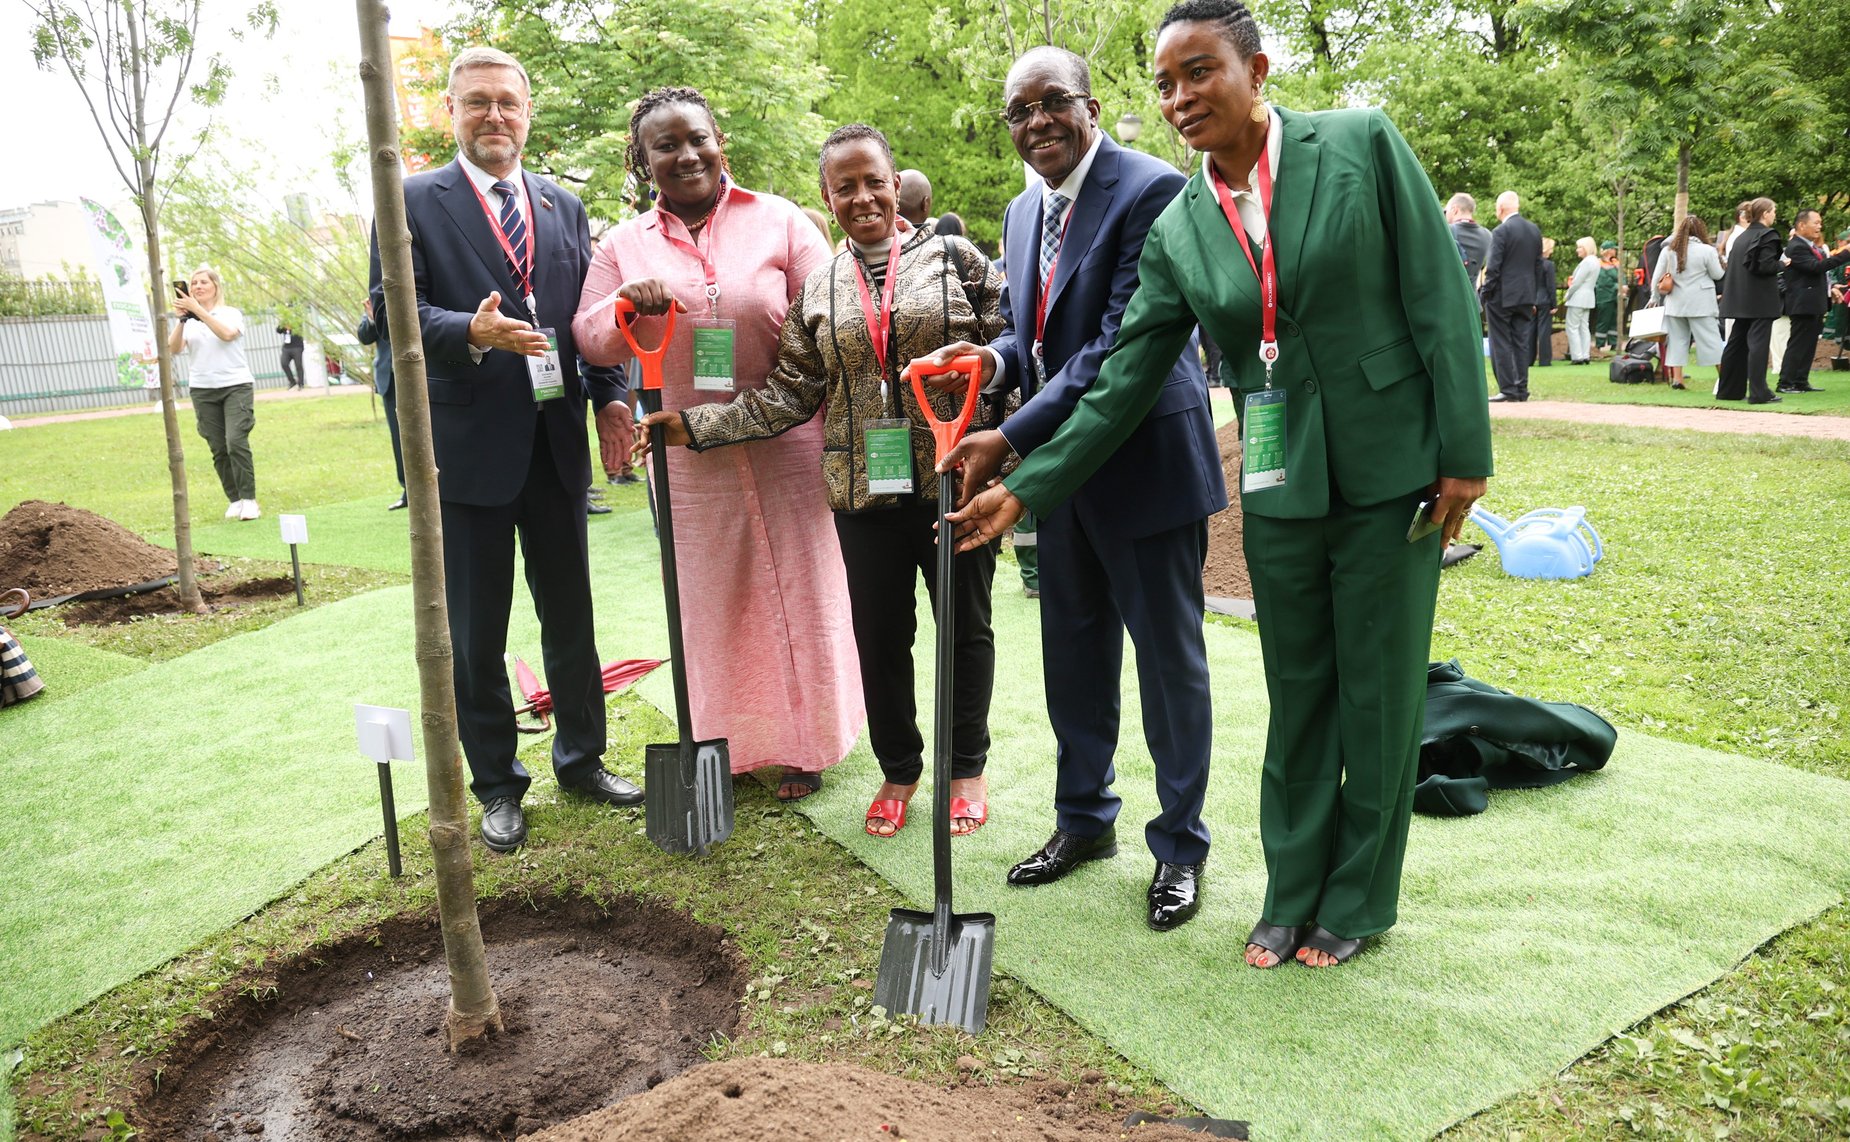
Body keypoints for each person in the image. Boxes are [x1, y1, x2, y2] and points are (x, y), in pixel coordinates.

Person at [942, 0, 1492, 969]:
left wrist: (1463, 448)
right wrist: (1028, 486)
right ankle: (1289, 890)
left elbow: (1437, 297)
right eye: (1163, 83)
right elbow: (1120, 381)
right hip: (1278, 482)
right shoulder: (1181, 222)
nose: (1178, 97)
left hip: (1389, 470)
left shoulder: (1358, 144)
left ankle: (1356, 896)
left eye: (1198, 72)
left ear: (1256, 70)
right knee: (1298, 693)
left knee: (1375, 693)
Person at [915, 45, 1224, 932]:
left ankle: (1180, 847)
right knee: (1074, 657)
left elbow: (1117, 347)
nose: (1037, 122)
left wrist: (1010, 434)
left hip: (1146, 466)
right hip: (1063, 478)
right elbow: (1036, 333)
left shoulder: (1153, 189)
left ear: (1090, 107)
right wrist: (994, 357)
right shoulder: (1020, 210)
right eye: (1019, 111)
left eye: (1054, 103)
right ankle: (1084, 822)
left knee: (1170, 669)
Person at [637, 123, 1005, 838]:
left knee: (966, 630)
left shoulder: (958, 259)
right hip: (860, 493)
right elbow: (789, 392)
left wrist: (1007, 468)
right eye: (845, 187)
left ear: (896, 184)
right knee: (880, 636)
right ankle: (900, 769)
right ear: (826, 197)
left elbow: (1013, 359)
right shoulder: (821, 284)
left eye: (874, 181)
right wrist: (694, 427)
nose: (862, 197)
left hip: (954, 485)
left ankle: (968, 768)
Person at [366, 46, 642, 852]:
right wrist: (471, 331)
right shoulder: (410, 199)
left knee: (572, 620)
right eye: (477, 102)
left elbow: (593, 319)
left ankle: (583, 760)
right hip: (465, 453)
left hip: (555, 448)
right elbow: (394, 313)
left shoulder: (561, 207)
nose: (495, 116)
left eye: (508, 103)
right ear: (450, 112)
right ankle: (496, 784)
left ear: (528, 112)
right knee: (476, 635)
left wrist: (616, 398)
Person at [573, 87, 863, 805]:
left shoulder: (780, 221)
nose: (685, 154)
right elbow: (589, 335)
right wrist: (624, 309)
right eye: (664, 146)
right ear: (643, 163)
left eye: (696, 138)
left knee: (804, 591)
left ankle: (806, 743)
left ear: (719, 141)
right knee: (709, 602)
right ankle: (724, 744)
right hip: (683, 454)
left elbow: (834, 309)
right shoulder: (622, 244)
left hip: (788, 438)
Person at [170, 265, 261, 521]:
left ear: (215, 287)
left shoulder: (230, 314)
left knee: (236, 441)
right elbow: (174, 348)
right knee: (218, 447)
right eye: (194, 283)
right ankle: (234, 499)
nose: (198, 287)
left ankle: (249, 499)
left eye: (203, 283)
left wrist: (198, 311)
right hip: (202, 389)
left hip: (235, 386)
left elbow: (227, 334)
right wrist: (182, 319)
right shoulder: (188, 320)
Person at [1717, 197, 1784, 404]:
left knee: (1736, 343)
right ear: (1765, 214)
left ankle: (1728, 390)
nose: (1774, 215)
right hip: (1760, 300)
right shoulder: (1768, 235)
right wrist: (1782, 264)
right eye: (1773, 211)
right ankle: (1759, 392)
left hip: (1740, 299)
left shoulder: (1740, 238)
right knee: (1758, 344)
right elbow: (1764, 266)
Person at [1776, 209, 1850, 393]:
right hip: (1802, 302)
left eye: (1820, 223)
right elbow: (1815, 267)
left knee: (1808, 344)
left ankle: (1800, 380)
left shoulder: (1811, 246)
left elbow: (1821, 273)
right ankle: (1785, 383)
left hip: (1813, 302)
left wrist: (1831, 288)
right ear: (1802, 225)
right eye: (1815, 222)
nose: (1819, 226)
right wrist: (1845, 253)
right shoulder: (1796, 247)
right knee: (1798, 343)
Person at [1651, 214, 1724, 391]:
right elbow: (1718, 275)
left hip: (1675, 303)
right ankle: (1724, 377)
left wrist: (1654, 297)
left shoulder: (1668, 251)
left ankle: (1677, 379)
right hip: (1701, 303)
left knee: (1677, 341)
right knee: (1711, 341)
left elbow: (1656, 277)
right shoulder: (1707, 250)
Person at [1481, 191, 1542, 401]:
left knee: (1501, 342)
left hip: (1502, 296)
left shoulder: (1501, 232)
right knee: (1521, 342)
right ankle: (1521, 388)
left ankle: (1507, 389)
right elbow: (1537, 266)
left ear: (1500, 208)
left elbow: (1494, 267)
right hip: (1526, 295)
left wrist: (1485, 292)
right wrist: (1533, 295)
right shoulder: (1534, 231)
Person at [356, 294, 406, 509]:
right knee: (399, 438)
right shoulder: (377, 298)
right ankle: (408, 491)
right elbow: (364, 337)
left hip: (422, 376)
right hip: (390, 378)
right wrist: (372, 319)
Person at [1445, 193, 1491, 317]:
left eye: (1446, 211)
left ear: (1454, 210)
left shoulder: (1446, 231)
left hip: (1448, 305)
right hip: (1473, 305)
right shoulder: (1487, 235)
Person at [1562, 237, 1600, 365]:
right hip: (1588, 297)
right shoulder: (1595, 261)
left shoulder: (1587, 262)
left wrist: (1568, 294)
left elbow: (1577, 282)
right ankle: (1585, 354)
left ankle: (1577, 356)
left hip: (1578, 297)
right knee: (1584, 326)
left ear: (1586, 248)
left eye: (1580, 247)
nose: (1577, 250)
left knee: (1572, 327)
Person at [1533, 236, 1557, 366]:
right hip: (1544, 300)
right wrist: (1554, 304)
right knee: (1544, 331)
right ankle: (1544, 359)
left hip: (1532, 298)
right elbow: (1551, 286)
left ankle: (1528, 358)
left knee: (1530, 330)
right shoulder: (1548, 265)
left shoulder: (1531, 263)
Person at [1593, 241, 1620, 354]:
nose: (1615, 251)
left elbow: (1622, 277)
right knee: (1603, 321)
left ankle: (1613, 343)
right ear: (1608, 251)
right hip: (1604, 297)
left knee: (1614, 321)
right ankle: (1599, 344)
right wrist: (1617, 286)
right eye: (1613, 249)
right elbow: (1604, 281)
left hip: (1615, 297)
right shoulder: (1598, 264)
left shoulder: (1616, 263)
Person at [275, 323, 305, 389]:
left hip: (297, 346)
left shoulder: (296, 320)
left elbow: (300, 329)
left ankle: (301, 383)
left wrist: (291, 327)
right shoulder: (284, 322)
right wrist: (282, 325)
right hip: (287, 347)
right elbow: (278, 331)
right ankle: (292, 381)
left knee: (298, 365)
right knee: (284, 363)